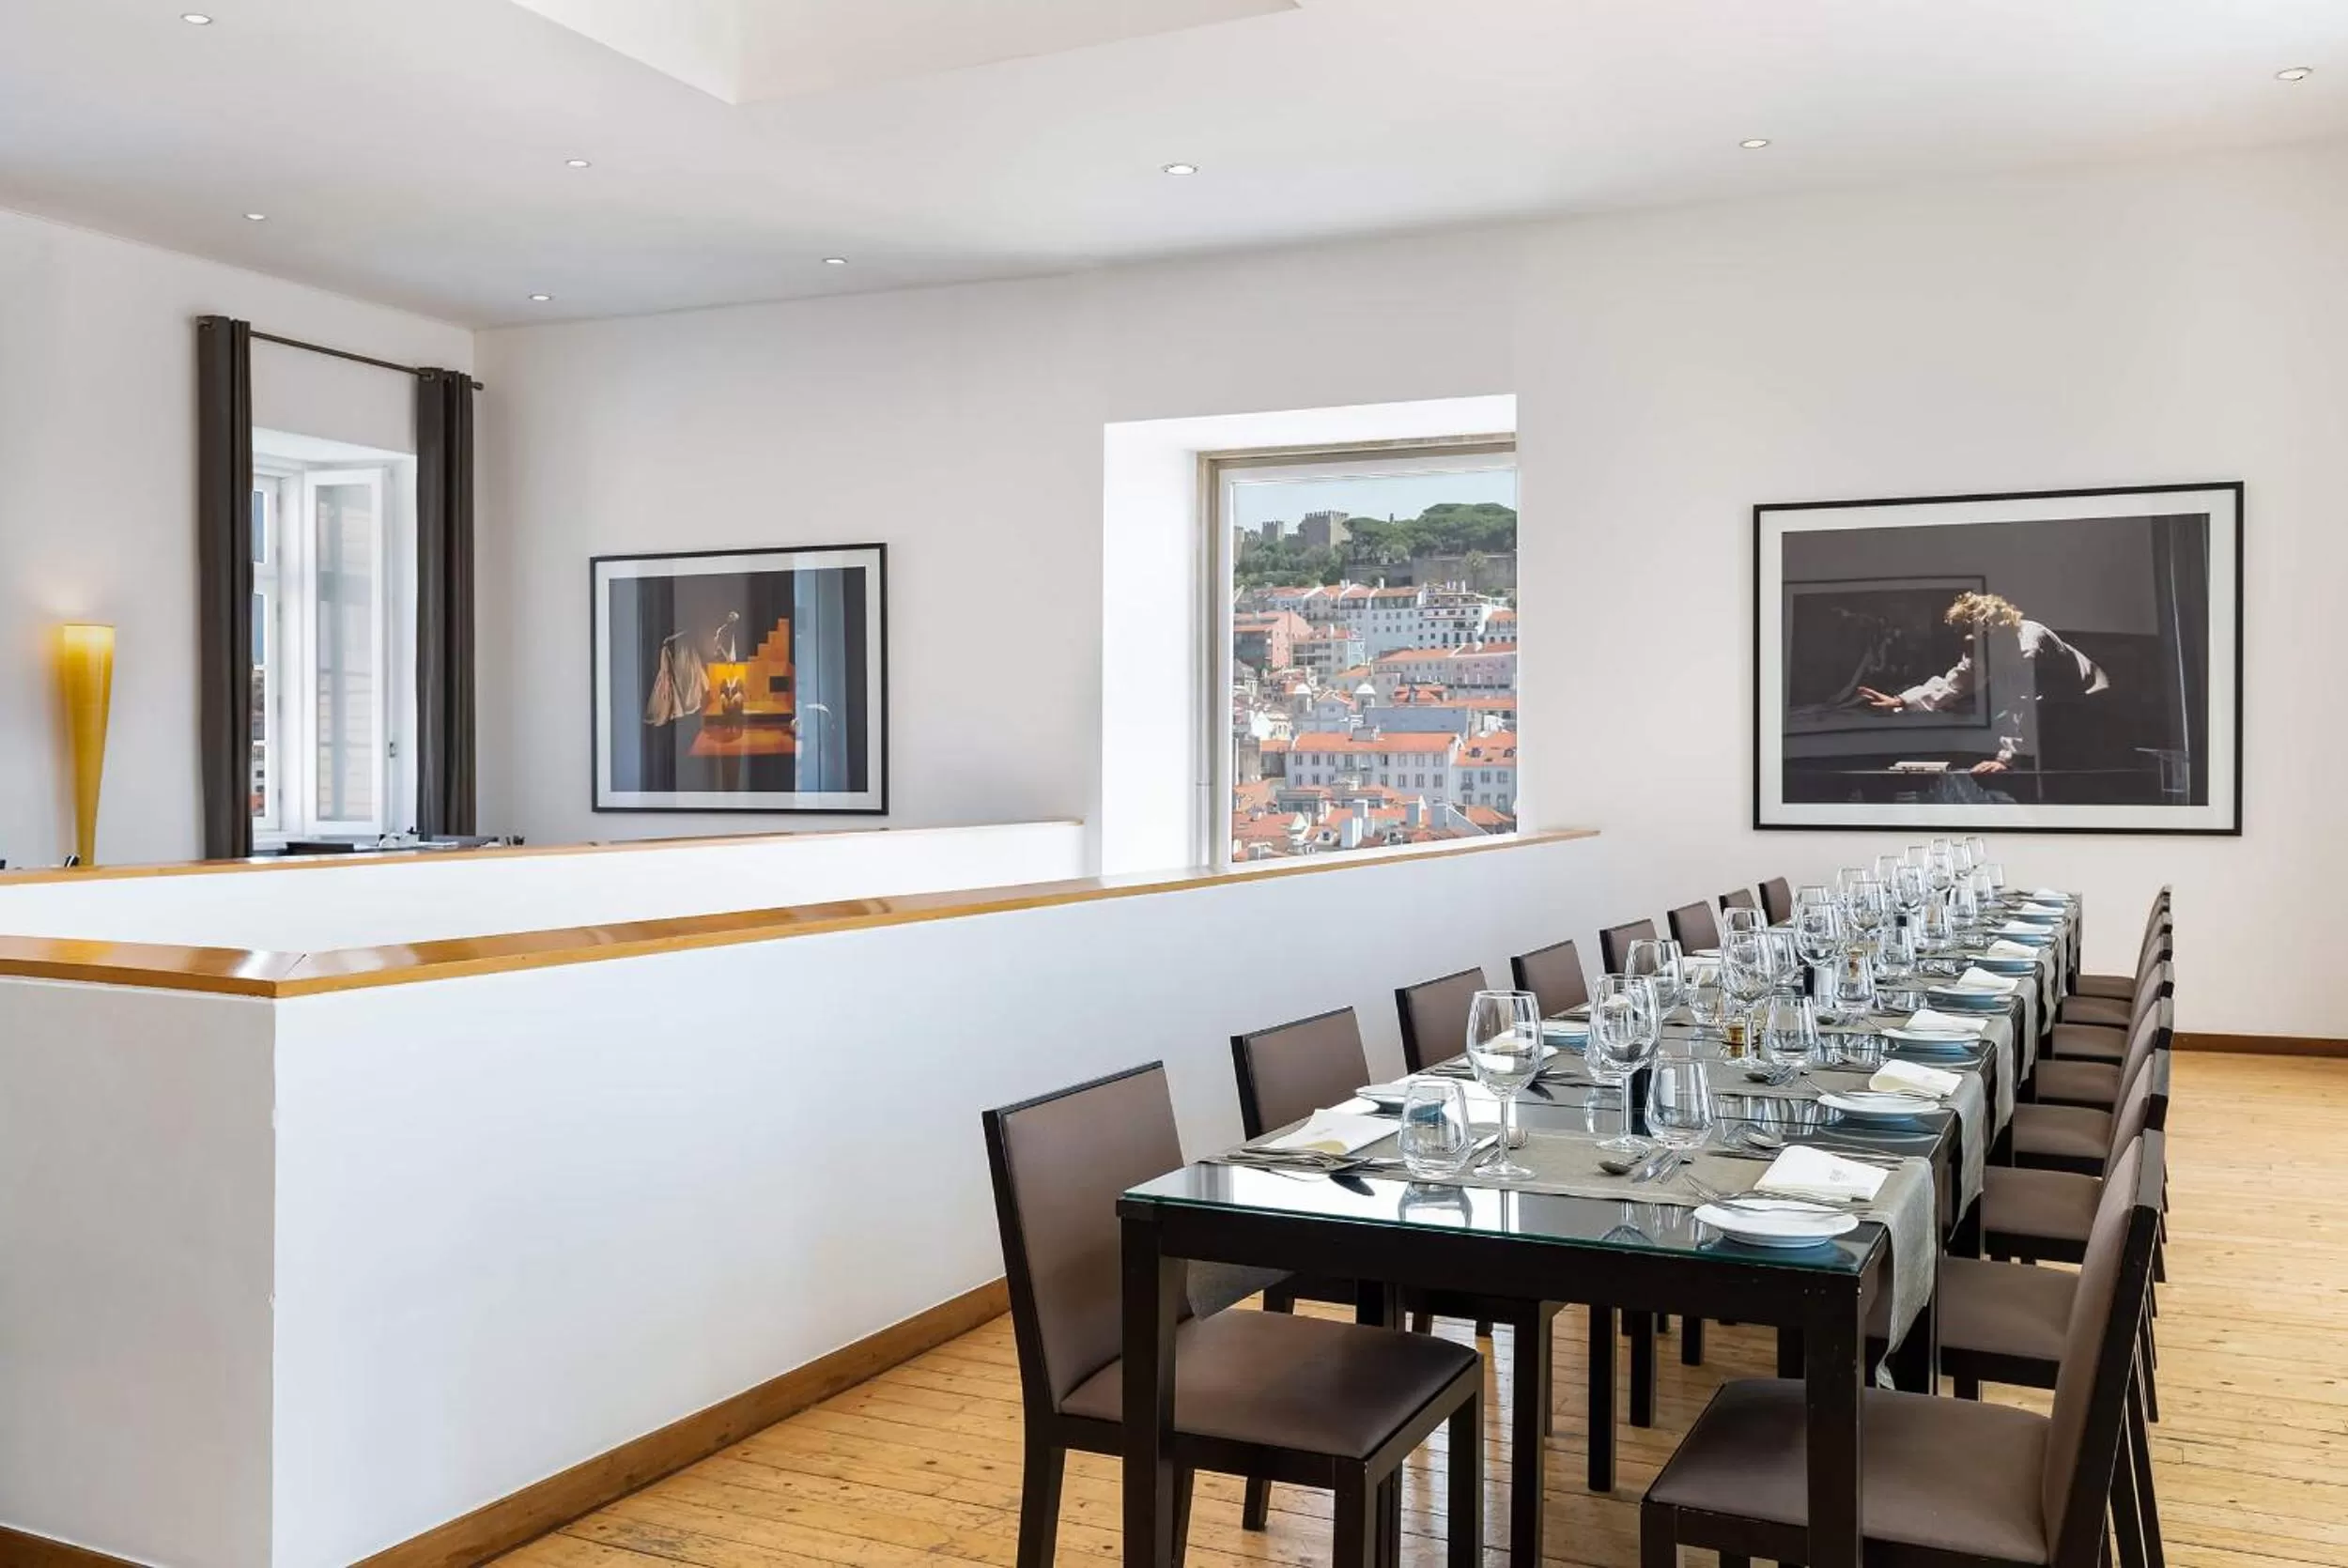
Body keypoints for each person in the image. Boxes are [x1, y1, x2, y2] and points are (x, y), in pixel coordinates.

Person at [1854, 591, 2109, 776]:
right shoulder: (1981, 646)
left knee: (2064, 761)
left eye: (1970, 631)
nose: (1965, 640)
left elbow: (2023, 706)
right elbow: (1955, 683)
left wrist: (2005, 760)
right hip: (2050, 701)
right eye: (1962, 632)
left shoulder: (2027, 646)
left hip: (2088, 697)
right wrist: (1901, 701)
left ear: (1992, 629)